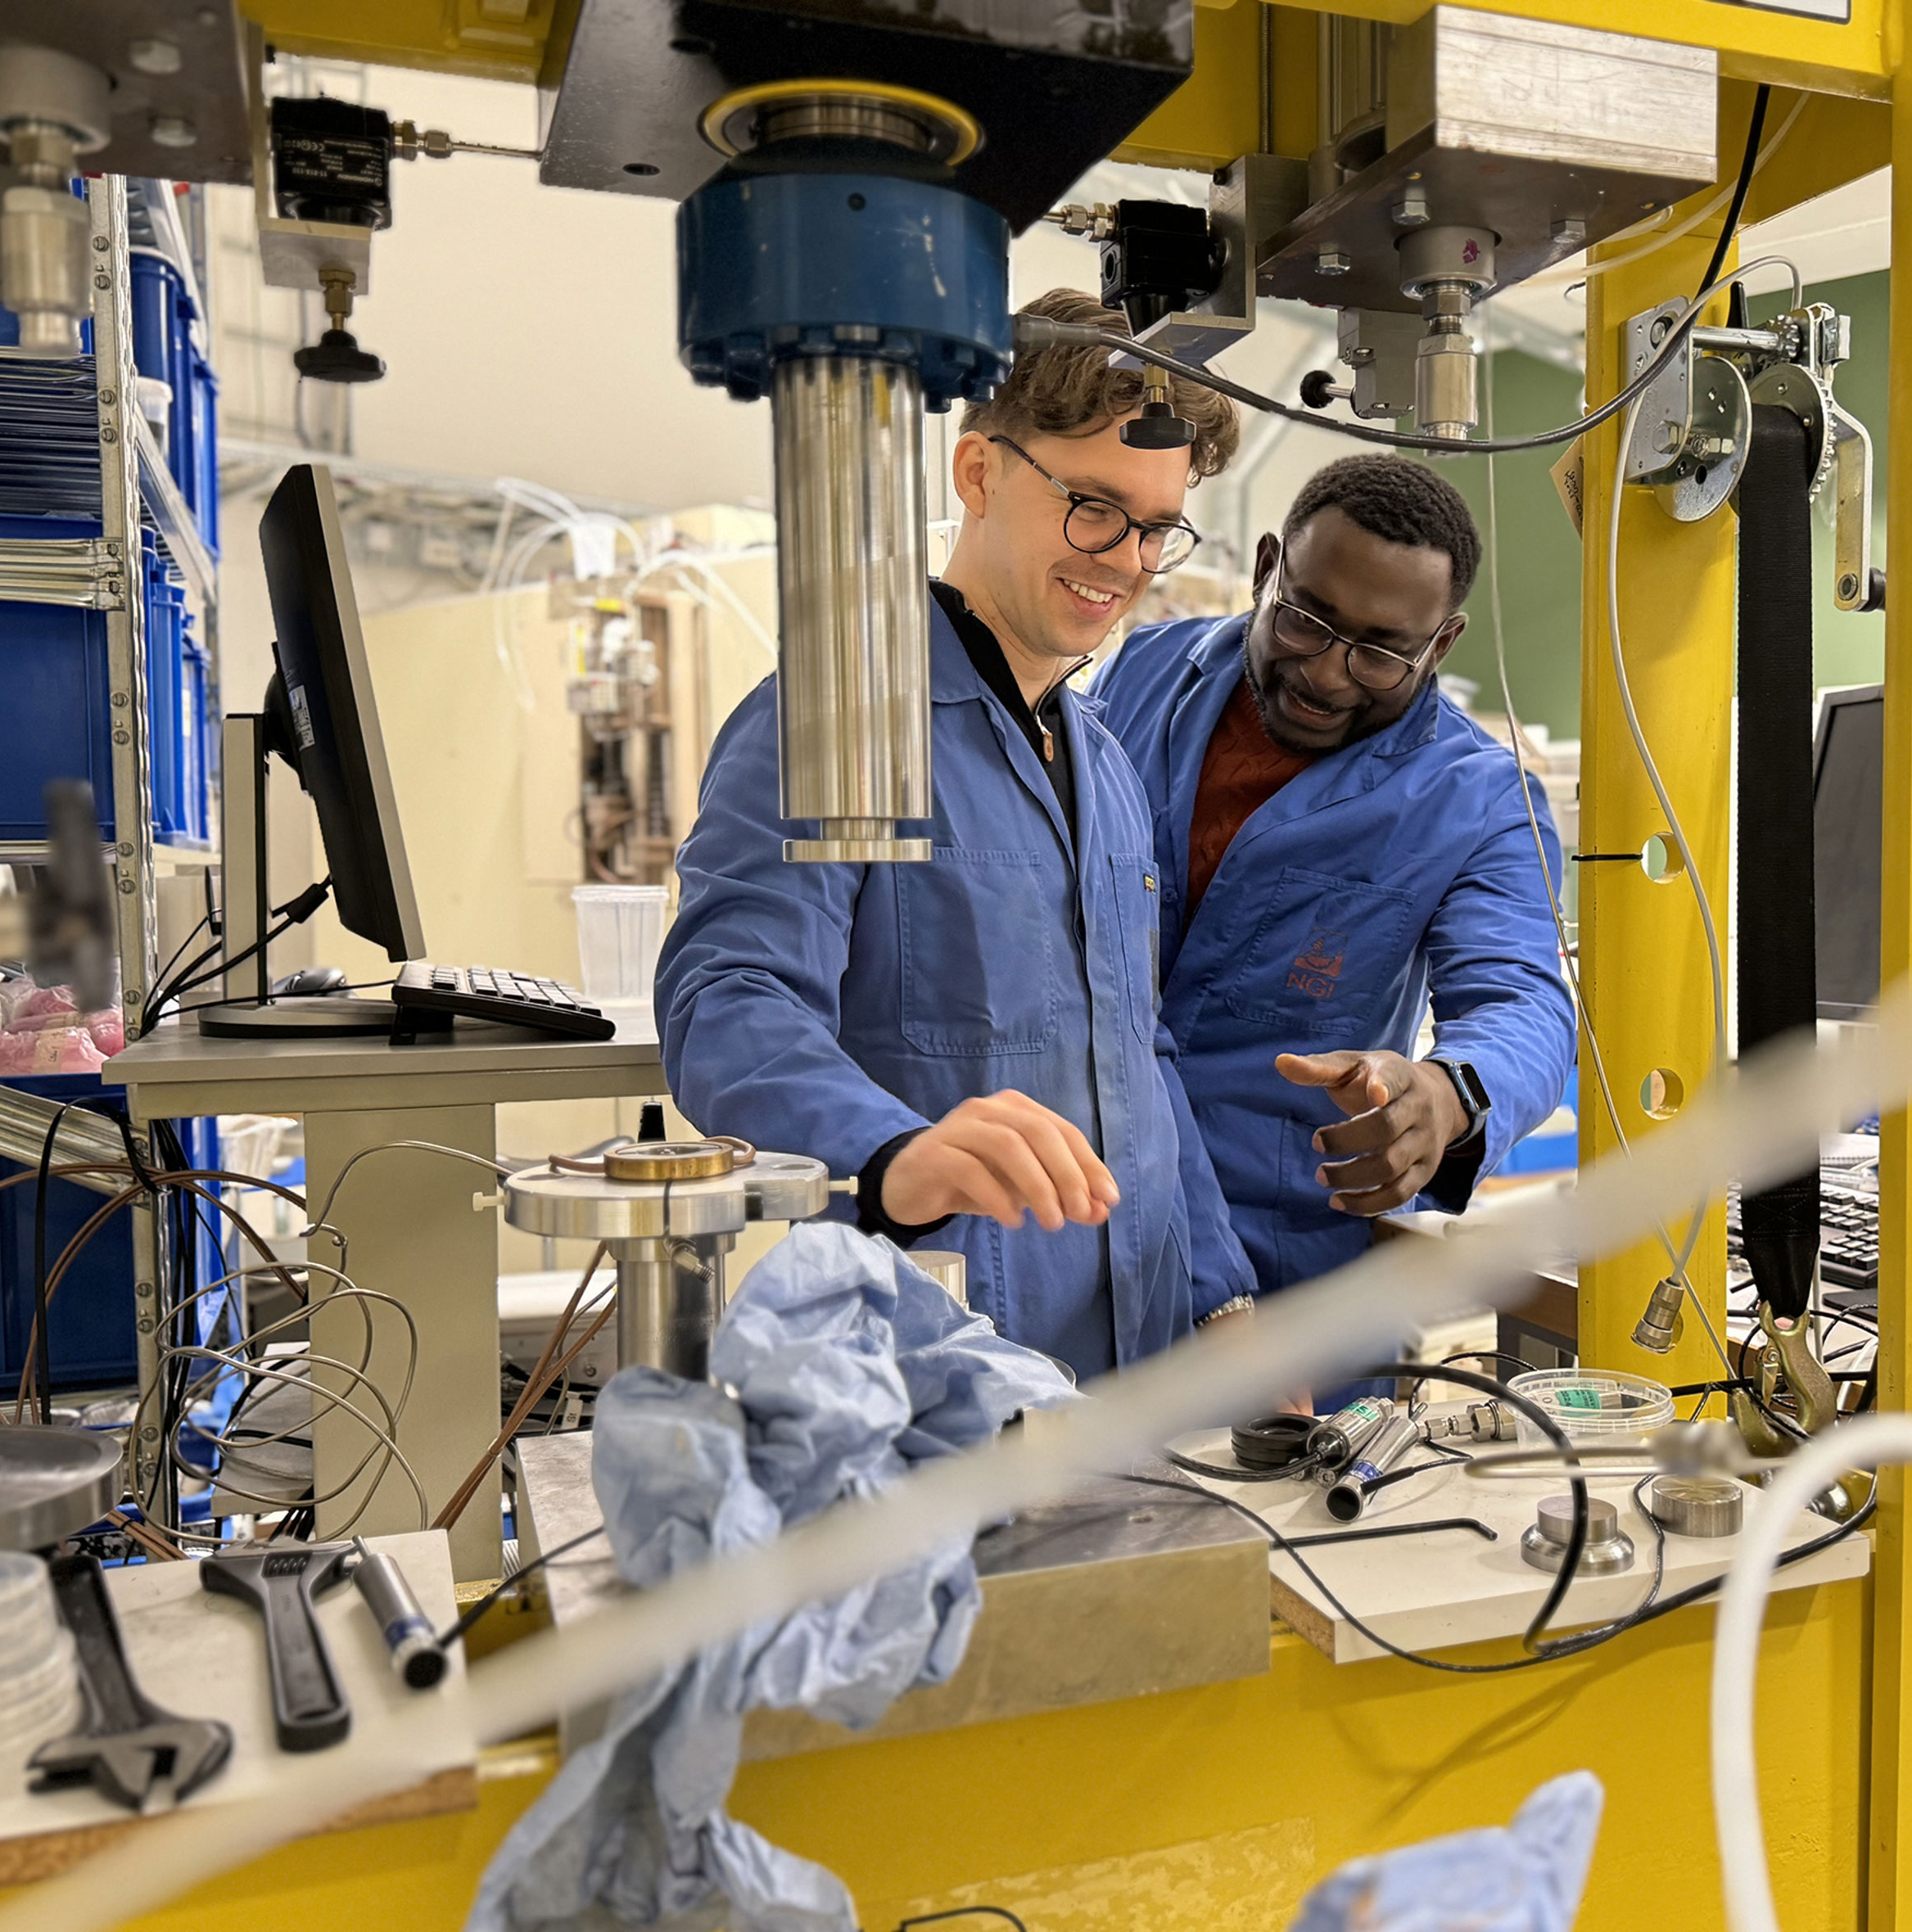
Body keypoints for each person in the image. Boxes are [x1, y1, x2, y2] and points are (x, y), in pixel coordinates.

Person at [655, 291, 1255, 1384]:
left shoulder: (1106, 765)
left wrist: (1224, 1297)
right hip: (939, 1370)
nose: (1123, 558)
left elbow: (1141, 1056)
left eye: (1156, 527)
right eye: (1092, 505)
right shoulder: (841, 725)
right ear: (978, 473)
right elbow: (729, 999)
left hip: (1140, 1376)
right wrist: (891, 1151)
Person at [1093, 454, 1578, 1298]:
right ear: (1264, 569)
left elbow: (1522, 1001)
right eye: (1304, 622)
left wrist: (1447, 1093)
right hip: (1071, 1216)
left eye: (1380, 654)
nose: (1323, 674)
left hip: (1277, 1269)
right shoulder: (1145, 671)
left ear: (1441, 644)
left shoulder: (1481, 801)